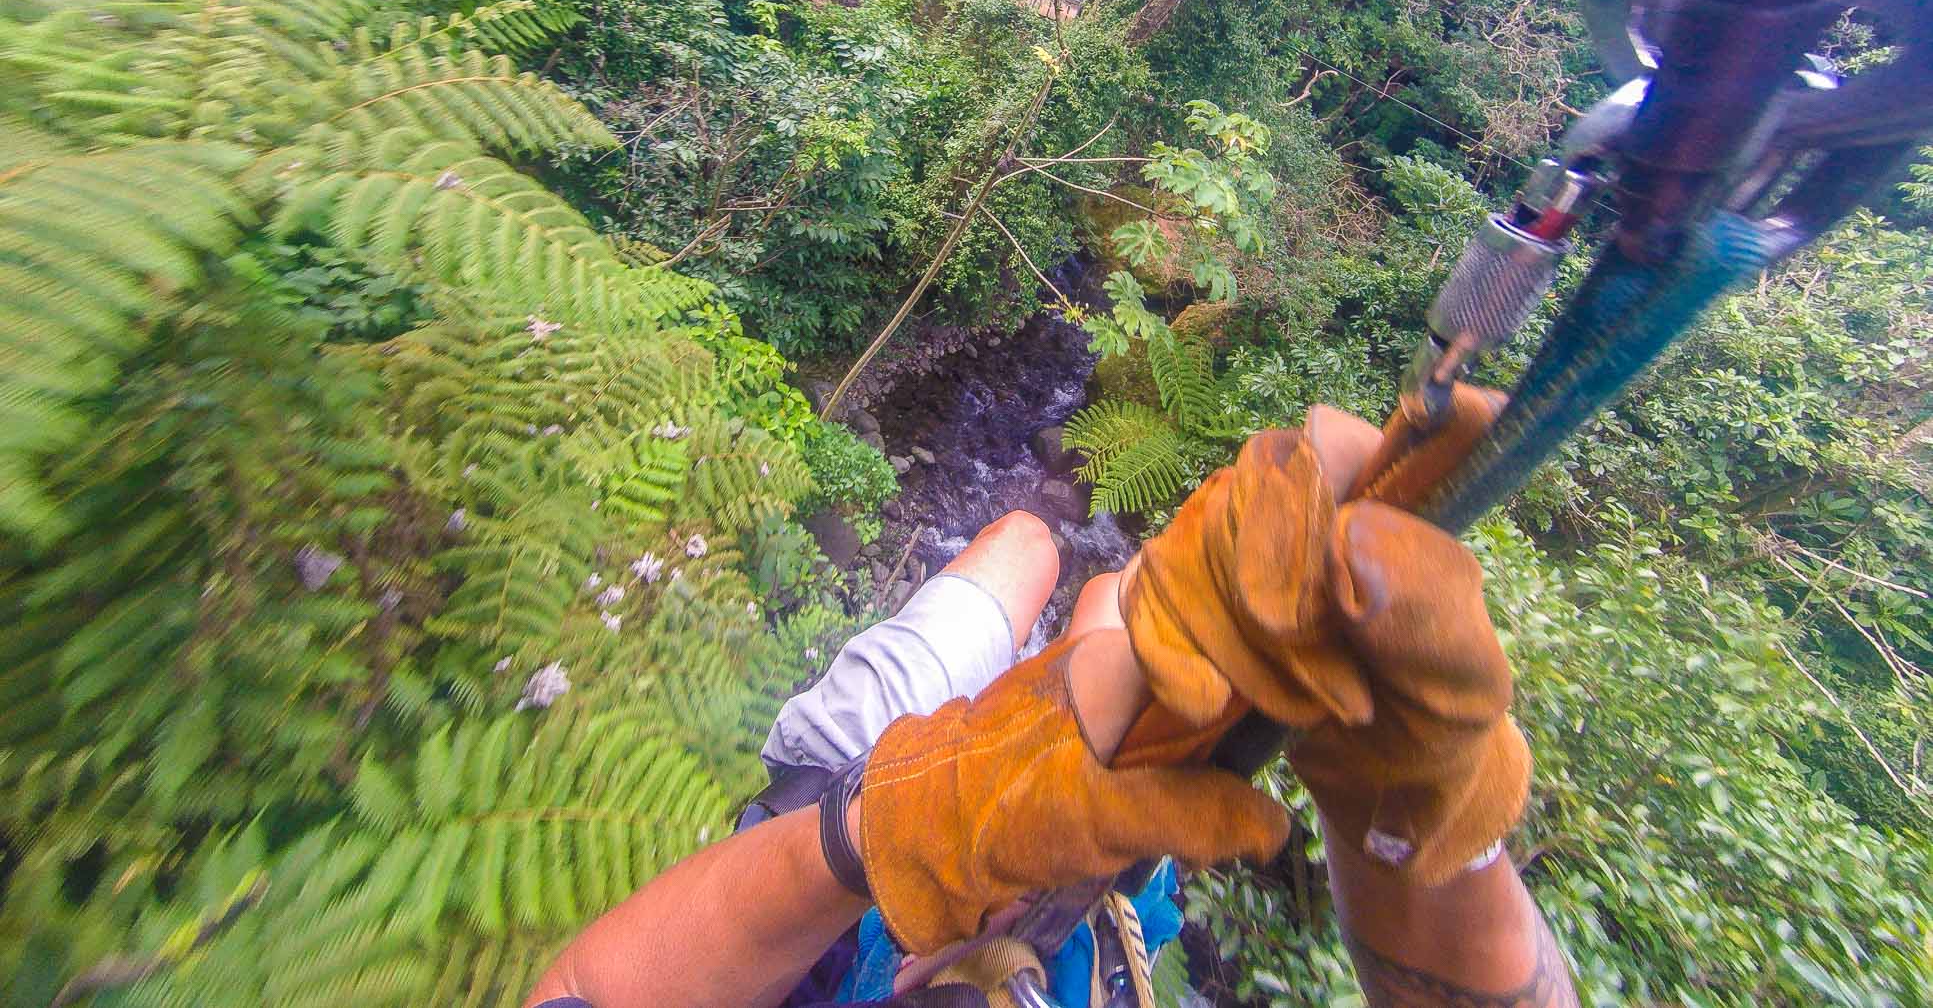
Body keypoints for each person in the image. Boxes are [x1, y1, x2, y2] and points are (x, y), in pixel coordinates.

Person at [525, 388, 1580, 1008]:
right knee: (1115, 613)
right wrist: (1408, 820)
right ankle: (1108, 612)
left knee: (1026, 545)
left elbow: (582, 986)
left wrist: (888, 821)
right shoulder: (1107, 957)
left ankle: (1076, 616)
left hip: (836, 822)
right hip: (1087, 891)